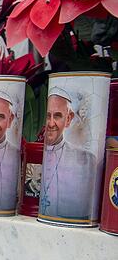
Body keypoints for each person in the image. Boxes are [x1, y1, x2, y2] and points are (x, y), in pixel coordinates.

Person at [39, 89, 96, 220]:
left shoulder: (86, 160)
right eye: (48, 116)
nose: (51, 123)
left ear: (68, 118)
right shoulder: (32, 154)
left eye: (57, 116)